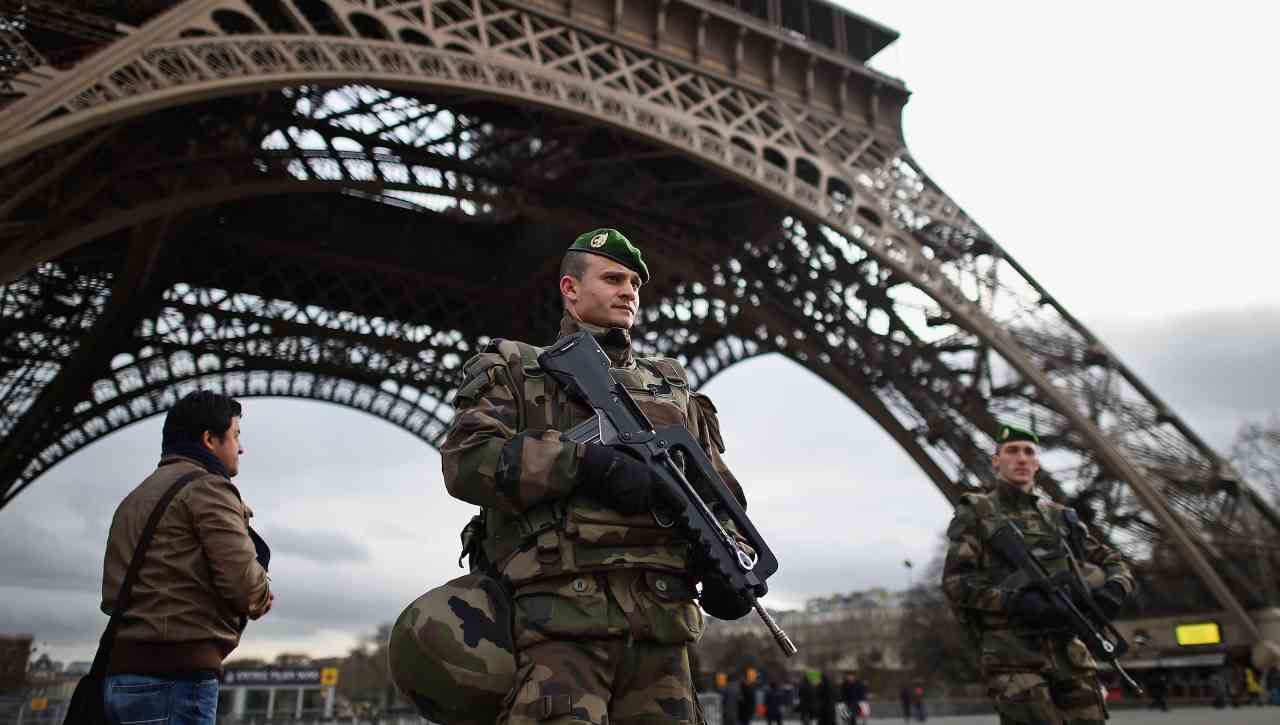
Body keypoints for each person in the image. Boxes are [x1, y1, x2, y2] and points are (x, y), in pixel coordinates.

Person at [441, 228, 752, 724]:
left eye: (634, 281)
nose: (628, 290)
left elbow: (718, 492)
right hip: (558, 629)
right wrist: (586, 464)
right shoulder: (515, 369)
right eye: (612, 278)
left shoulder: (672, 388)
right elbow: (467, 460)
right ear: (570, 288)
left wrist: (730, 563)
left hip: (664, 630)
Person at [942, 424, 1136, 724]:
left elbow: (1114, 561)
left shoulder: (1060, 517)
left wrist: (1114, 590)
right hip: (1013, 655)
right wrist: (1014, 602)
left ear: (1037, 464)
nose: (1021, 458)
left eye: (1029, 452)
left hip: (1070, 653)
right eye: (1012, 451)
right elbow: (956, 584)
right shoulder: (977, 513)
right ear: (996, 461)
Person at [100, 390, 273, 725]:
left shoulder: (135, 498)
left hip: (121, 674)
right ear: (209, 439)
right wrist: (261, 594)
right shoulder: (208, 489)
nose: (241, 447)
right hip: (175, 677)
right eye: (236, 436)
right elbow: (244, 586)